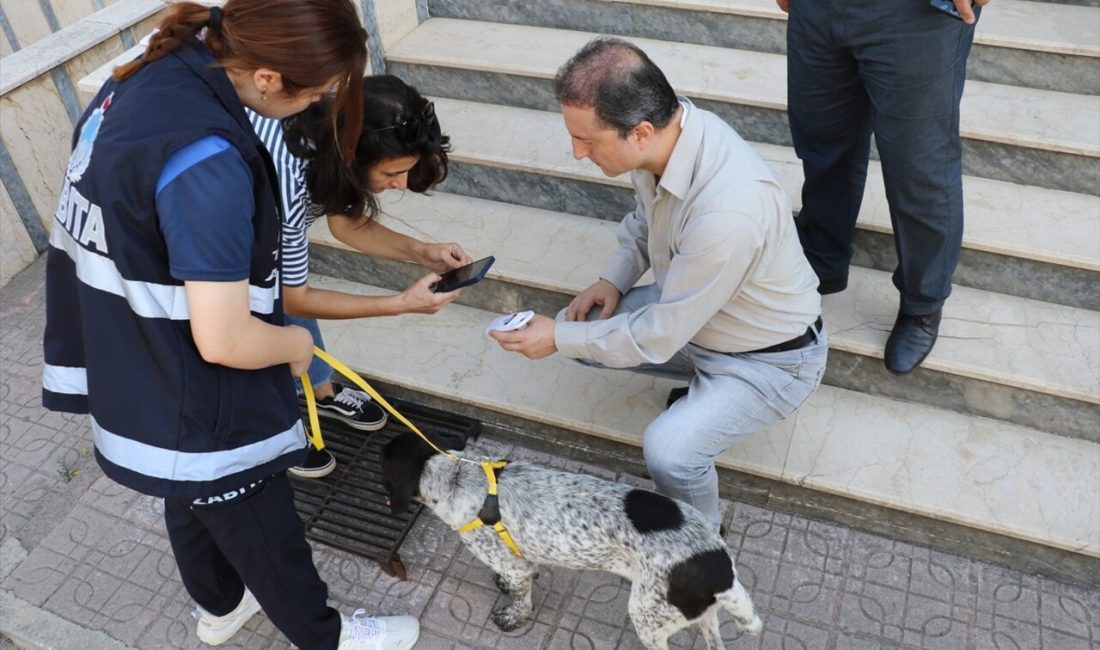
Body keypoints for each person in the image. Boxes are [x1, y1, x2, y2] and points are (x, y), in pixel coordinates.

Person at [40, 2, 419, 648]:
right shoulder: (209, 161)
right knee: (261, 520)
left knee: (188, 491)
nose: (317, 109)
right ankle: (326, 636)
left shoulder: (147, 75)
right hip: (190, 376)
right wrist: (298, 346)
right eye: (317, 93)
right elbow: (225, 338)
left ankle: (219, 607)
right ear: (269, 78)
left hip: (132, 347)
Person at [490, 38, 828, 528]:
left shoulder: (728, 212)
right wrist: (612, 279)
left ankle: (702, 534)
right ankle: (700, 394)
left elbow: (661, 333)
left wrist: (556, 338)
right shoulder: (672, 139)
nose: (577, 153)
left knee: (667, 451)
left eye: (587, 140)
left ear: (640, 132)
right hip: (700, 321)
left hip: (771, 360)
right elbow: (646, 221)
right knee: (579, 327)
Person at [250, 74, 471, 479]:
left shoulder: (337, 124)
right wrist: (398, 305)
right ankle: (271, 432)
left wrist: (422, 252)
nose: (401, 183)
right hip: (209, 236)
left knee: (285, 277)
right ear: (354, 156)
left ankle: (323, 391)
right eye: (393, 173)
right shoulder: (287, 177)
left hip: (261, 220)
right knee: (257, 316)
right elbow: (293, 298)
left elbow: (346, 224)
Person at [780, 0, 990, 374]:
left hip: (916, 14)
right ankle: (820, 261)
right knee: (821, 144)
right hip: (817, 11)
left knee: (919, 166)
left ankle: (922, 303)